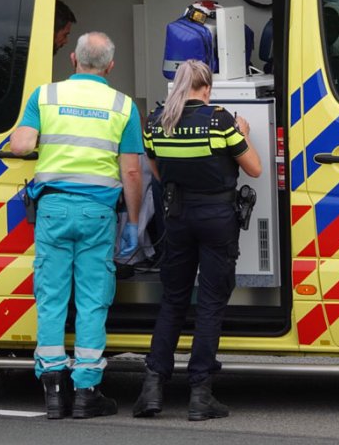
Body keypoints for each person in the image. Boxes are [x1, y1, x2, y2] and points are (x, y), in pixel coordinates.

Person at [10, 31, 143, 420]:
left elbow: (20, 146)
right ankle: (86, 392)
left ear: (73, 60)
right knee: (91, 300)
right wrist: (133, 222)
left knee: (51, 298)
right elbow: (132, 171)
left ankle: (53, 391)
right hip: (96, 214)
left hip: (51, 209)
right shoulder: (123, 105)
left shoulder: (45, 96)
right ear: (110, 66)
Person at [132, 59, 261, 421]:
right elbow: (254, 168)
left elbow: (157, 174)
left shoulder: (156, 122)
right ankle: (200, 394)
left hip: (178, 217)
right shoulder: (220, 121)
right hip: (217, 218)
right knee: (209, 304)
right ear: (205, 88)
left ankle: (152, 388)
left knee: (173, 300)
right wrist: (245, 133)